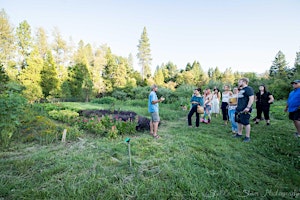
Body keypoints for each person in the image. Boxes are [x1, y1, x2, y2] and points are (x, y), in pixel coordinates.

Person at [233, 78, 254, 142]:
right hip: (239, 109)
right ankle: (239, 134)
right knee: (239, 121)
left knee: (246, 123)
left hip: (245, 109)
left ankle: (247, 137)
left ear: (244, 82)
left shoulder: (249, 89)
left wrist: (248, 107)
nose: (238, 83)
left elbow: (251, 98)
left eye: (240, 81)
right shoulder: (241, 89)